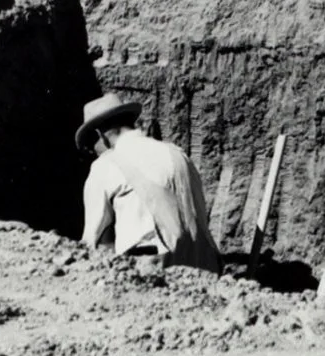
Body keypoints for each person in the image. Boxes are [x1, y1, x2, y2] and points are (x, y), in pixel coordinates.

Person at [77, 93, 221, 274]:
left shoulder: (105, 164)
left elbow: (95, 243)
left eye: (90, 144)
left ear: (100, 134)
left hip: (152, 271)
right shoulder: (178, 154)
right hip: (206, 268)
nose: (92, 151)